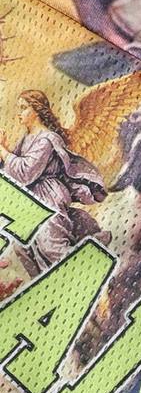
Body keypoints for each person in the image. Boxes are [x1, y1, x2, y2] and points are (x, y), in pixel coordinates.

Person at [0, 90, 109, 273]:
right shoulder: (25, 140)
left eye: (24, 108)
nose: (19, 113)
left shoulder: (47, 139)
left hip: (48, 197)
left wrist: (2, 150)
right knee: (24, 246)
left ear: (36, 110)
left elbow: (25, 172)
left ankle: (87, 264)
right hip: (31, 199)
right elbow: (12, 174)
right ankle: (48, 282)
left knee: (50, 245)